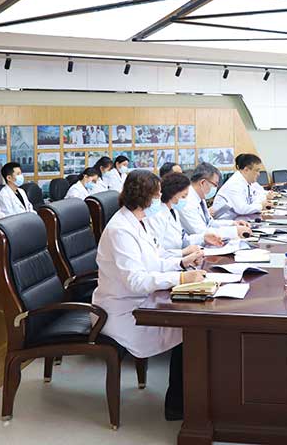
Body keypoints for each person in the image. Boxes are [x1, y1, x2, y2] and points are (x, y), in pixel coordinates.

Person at [92, 170, 205, 421]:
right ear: (144, 197)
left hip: (140, 301)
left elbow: (154, 260)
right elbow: (135, 281)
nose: (159, 199)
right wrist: (180, 279)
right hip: (121, 312)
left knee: (191, 329)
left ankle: (186, 400)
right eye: (157, 195)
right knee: (191, 331)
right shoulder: (121, 230)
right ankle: (177, 406)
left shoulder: (138, 221)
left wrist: (182, 263)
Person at [147, 172, 228, 254]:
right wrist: (182, 253)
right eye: (183, 196)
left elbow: (183, 239)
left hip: (176, 258)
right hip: (170, 259)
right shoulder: (157, 215)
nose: (185, 199)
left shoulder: (174, 211)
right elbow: (158, 252)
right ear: (173, 194)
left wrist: (204, 238)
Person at [180, 163, 250, 238]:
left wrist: (233, 224)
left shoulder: (200, 198)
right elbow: (202, 233)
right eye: (215, 185)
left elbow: (210, 223)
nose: (215, 189)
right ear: (203, 183)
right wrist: (234, 231)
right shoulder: (187, 202)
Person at [211, 153, 274, 219]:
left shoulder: (246, 182)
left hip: (239, 219)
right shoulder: (234, 184)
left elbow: (253, 199)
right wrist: (261, 206)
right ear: (246, 170)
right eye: (256, 171)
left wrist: (262, 203)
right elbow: (241, 209)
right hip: (225, 221)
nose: (259, 174)